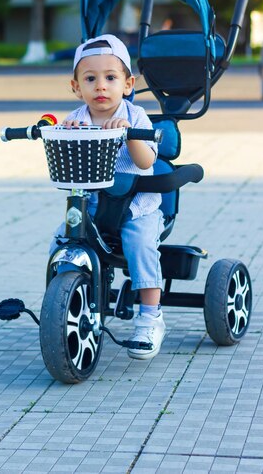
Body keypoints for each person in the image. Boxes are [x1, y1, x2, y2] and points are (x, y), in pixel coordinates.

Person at [50, 33, 166, 360]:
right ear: (76, 87)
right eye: (91, 79)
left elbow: (146, 162)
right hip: (93, 208)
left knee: (140, 246)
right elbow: (70, 166)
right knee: (60, 241)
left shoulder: (135, 117)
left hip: (135, 209)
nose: (101, 86)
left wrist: (128, 135)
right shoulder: (77, 120)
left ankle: (150, 316)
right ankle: (63, 302)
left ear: (128, 84)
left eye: (110, 78)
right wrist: (67, 137)